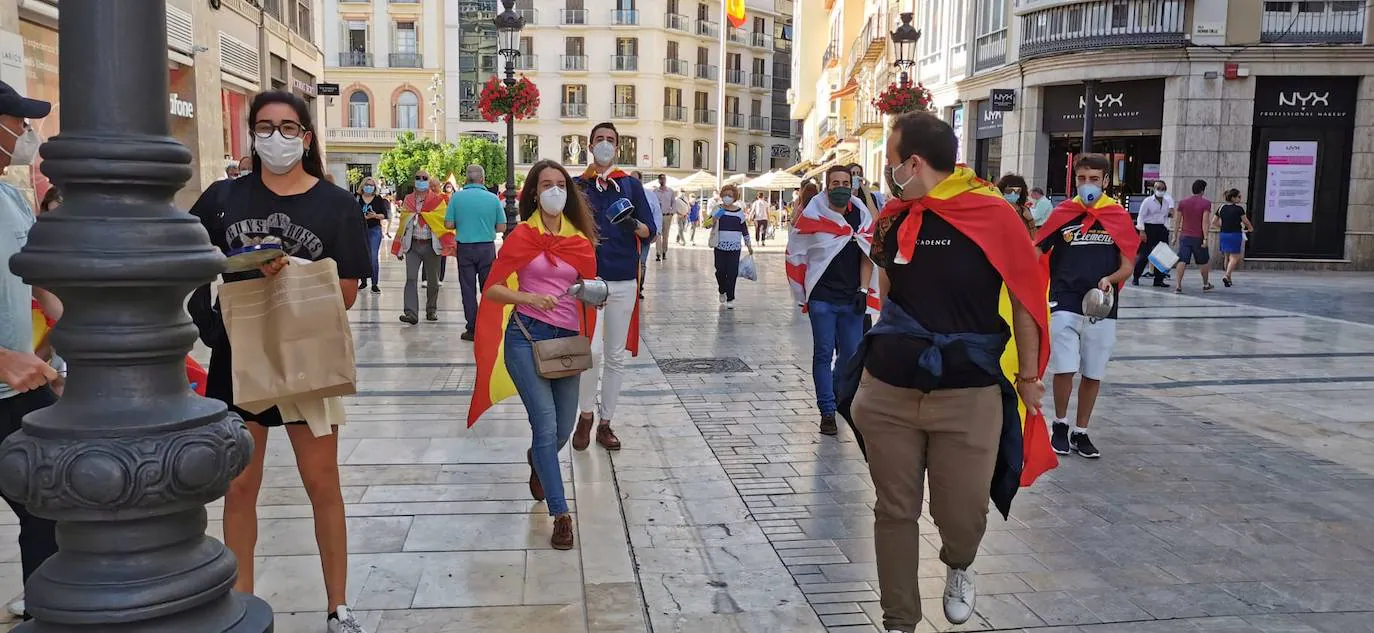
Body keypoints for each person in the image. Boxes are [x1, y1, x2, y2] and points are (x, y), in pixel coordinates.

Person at [845, 112, 1054, 633]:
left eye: (892, 163)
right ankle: (899, 620)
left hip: (968, 390)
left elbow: (1026, 300)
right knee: (894, 510)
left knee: (961, 517)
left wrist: (1028, 380)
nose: (889, 173)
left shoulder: (992, 213)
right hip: (890, 388)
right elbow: (889, 289)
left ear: (914, 162)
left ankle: (959, 563)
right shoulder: (893, 216)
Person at [187, 90, 371, 633]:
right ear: (251, 133)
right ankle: (240, 604)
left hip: (307, 361)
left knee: (323, 483)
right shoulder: (223, 199)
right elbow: (192, 263)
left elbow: (347, 290)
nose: (276, 137)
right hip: (239, 359)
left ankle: (337, 606)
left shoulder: (335, 206)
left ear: (306, 138)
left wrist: (291, 274)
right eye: (265, 126)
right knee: (241, 485)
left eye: (289, 127)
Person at [469, 159, 599, 550]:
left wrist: (592, 291)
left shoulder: (579, 238)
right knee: (545, 426)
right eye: (546, 184)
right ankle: (560, 514)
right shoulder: (521, 236)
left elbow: (589, 283)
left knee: (561, 429)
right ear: (534, 192)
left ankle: (537, 459)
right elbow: (491, 290)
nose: (555, 190)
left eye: (560, 183)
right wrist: (528, 298)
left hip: (567, 343)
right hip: (525, 338)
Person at [0, 81, 61, 622]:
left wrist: (63, 345)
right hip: (7, 375)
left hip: (20, 393)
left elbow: (38, 284)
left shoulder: (12, 198)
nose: (25, 133)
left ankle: (46, 611)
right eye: (16, 121)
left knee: (48, 507)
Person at [1034, 154, 1140, 460]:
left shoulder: (1117, 216)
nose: (1087, 184)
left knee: (1093, 371)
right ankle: (1060, 425)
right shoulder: (1064, 213)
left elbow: (1127, 265)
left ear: (1106, 181)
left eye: (1094, 179)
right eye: (1081, 179)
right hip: (1064, 298)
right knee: (1065, 365)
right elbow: (1038, 246)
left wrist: (1110, 279)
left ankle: (1081, 431)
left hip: (1101, 304)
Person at [573, 122, 655, 452]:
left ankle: (606, 422)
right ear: (590, 147)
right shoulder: (578, 186)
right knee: (590, 352)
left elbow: (649, 231)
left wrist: (633, 223)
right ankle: (586, 415)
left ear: (617, 148)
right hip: (591, 281)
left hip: (623, 279)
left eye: (610, 140)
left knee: (615, 355)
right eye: (599, 140)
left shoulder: (631, 185)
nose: (605, 144)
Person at [785, 165, 875, 437]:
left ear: (853, 184)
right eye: (834, 183)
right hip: (822, 298)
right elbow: (796, 251)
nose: (840, 187)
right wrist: (803, 293)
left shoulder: (861, 215)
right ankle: (827, 411)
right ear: (827, 186)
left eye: (845, 182)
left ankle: (835, 395)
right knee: (823, 353)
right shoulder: (813, 214)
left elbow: (868, 253)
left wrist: (862, 291)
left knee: (850, 356)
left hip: (851, 298)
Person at [445, 164, 506, 341]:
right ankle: (489, 324)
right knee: (488, 287)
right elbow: (501, 226)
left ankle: (472, 327)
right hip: (486, 248)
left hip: (464, 248)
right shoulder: (492, 199)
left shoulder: (457, 198)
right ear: (482, 179)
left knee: (467, 288)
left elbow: (449, 224)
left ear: (466, 179)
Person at [393, 168, 455, 324]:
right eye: (418, 177)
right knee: (411, 278)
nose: (421, 180)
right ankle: (410, 313)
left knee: (433, 281)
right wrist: (399, 246)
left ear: (428, 181)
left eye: (424, 178)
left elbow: (442, 222)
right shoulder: (408, 200)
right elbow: (403, 224)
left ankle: (431, 310)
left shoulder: (438, 201)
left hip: (431, 245)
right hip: (412, 245)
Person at [710, 184, 753, 309]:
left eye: (730, 195)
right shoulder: (717, 209)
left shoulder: (739, 212)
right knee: (720, 271)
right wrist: (714, 218)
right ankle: (721, 289)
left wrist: (748, 244)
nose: (727, 197)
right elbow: (707, 224)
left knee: (732, 272)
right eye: (725, 195)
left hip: (735, 247)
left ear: (735, 197)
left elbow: (744, 229)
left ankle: (730, 297)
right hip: (719, 246)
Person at [1173, 179, 1214, 293]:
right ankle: (1205, 284)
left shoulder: (1183, 202)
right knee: (1203, 261)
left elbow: (1177, 220)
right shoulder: (1206, 203)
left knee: (1182, 260)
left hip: (1184, 236)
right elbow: (1205, 222)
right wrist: (1205, 238)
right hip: (1198, 237)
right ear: (1202, 190)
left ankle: (1178, 285)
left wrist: (1174, 236)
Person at [1132, 179, 1174, 287]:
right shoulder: (1148, 201)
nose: (1160, 190)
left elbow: (1165, 216)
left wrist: (1167, 226)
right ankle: (1136, 277)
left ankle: (1158, 279)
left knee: (1162, 255)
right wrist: (1141, 231)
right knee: (1144, 255)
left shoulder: (1166, 202)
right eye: (1158, 188)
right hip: (1148, 228)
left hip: (1161, 228)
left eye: (1163, 189)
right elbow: (1141, 216)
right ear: (1154, 189)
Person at [356, 176, 391, 294]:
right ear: (363, 185)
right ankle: (363, 281)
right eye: (367, 184)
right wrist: (361, 217)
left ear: (375, 187)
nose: (369, 187)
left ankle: (375, 283)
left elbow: (384, 215)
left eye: (371, 185)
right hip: (360, 230)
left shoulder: (378, 199)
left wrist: (375, 215)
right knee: (361, 256)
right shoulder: (356, 198)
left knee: (373, 256)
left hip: (374, 229)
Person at [1213, 188, 1253, 288]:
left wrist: (1222, 226)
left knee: (1227, 256)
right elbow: (1245, 221)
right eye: (1239, 197)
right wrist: (1250, 228)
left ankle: (1229, 278)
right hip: (1235, 234)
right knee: (1235, 257)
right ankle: (1227, 276)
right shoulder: (1239, 209)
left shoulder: (1221, 207)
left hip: (1224, 234)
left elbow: (1213, 222)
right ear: (1233, 198)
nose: (1240, 199)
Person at [654, 174, 676, 261]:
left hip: (667, 215)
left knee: (666, 235)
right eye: (660, 179)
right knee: (658, 234)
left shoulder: (670, 191)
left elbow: (674, 203)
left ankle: (664, 252)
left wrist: (672, 212)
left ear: (666, 180)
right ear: (658, 180)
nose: (662, 180)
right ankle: (658, 253)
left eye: (663, 179)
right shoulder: (655, 192)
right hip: (658, 215)